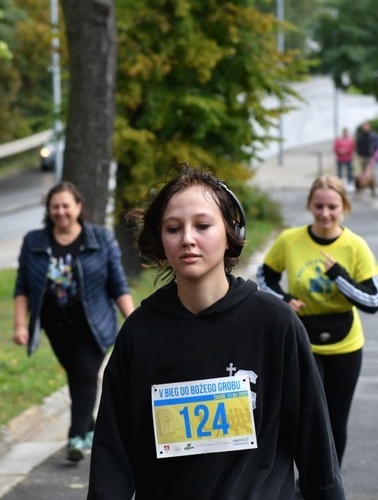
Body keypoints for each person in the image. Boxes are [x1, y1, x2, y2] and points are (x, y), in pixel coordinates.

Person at [88, 166, 344, 499]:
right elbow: (113, 454)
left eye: (203, 225)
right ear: (161, 241)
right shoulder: (140, 333)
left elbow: (316, 449)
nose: (187, 239)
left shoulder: (275, 325)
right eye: (173, 228)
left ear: (230, 233)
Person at [256, 174, 378, 465]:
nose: (325, 213)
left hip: (345, 345)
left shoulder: (355, 246)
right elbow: (265, 277)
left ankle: (328, 484)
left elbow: (373, 301)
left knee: (335, 421)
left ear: (344, 207)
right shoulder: (290, 240)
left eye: (332, 207)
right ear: (309, 206)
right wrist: (284, 300)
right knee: (302, 417)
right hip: (302, 343)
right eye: (318, 206)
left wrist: (339, 275)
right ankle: (302, 483)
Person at [13, 181, 134, 463]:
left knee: (84, 374)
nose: (61, 211)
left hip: (93, 323)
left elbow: (117, 284)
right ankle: (91, 426)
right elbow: (22, 287)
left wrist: (134, 320)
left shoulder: (99, 238)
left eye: (66, 205)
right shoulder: (34, 242)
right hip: (56, 327)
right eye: (55, 206)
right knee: (78, 377)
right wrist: (20, 325)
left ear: (78, 207)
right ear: (49, 210)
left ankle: (76, 435)